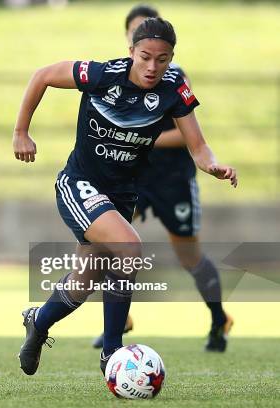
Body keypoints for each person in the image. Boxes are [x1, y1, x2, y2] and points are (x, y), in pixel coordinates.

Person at [13, 17, 237, 376]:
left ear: (171, 58)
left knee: (85, 279)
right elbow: (42, 75)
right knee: (130, 247)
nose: (152, 67)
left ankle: (38, 321)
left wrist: (214, 166)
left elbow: (198, 146)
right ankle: (113, 355)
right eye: (145, 56)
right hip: (79, 183)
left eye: (162, 59)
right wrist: (21, 131)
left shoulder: (174, 87)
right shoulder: (103, 75)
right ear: (131, 51)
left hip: (122, 194)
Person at [91, 4, 233, 353]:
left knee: (189, 256)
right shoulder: (119, 78)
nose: (152, 59)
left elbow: (189, 136)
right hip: (133, 179)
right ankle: (118, 322)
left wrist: (140, 135)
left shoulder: (172, 77)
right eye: (138, 36)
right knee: (107, 246)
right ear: (130, 42)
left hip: (173, 180)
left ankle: (219, 319)